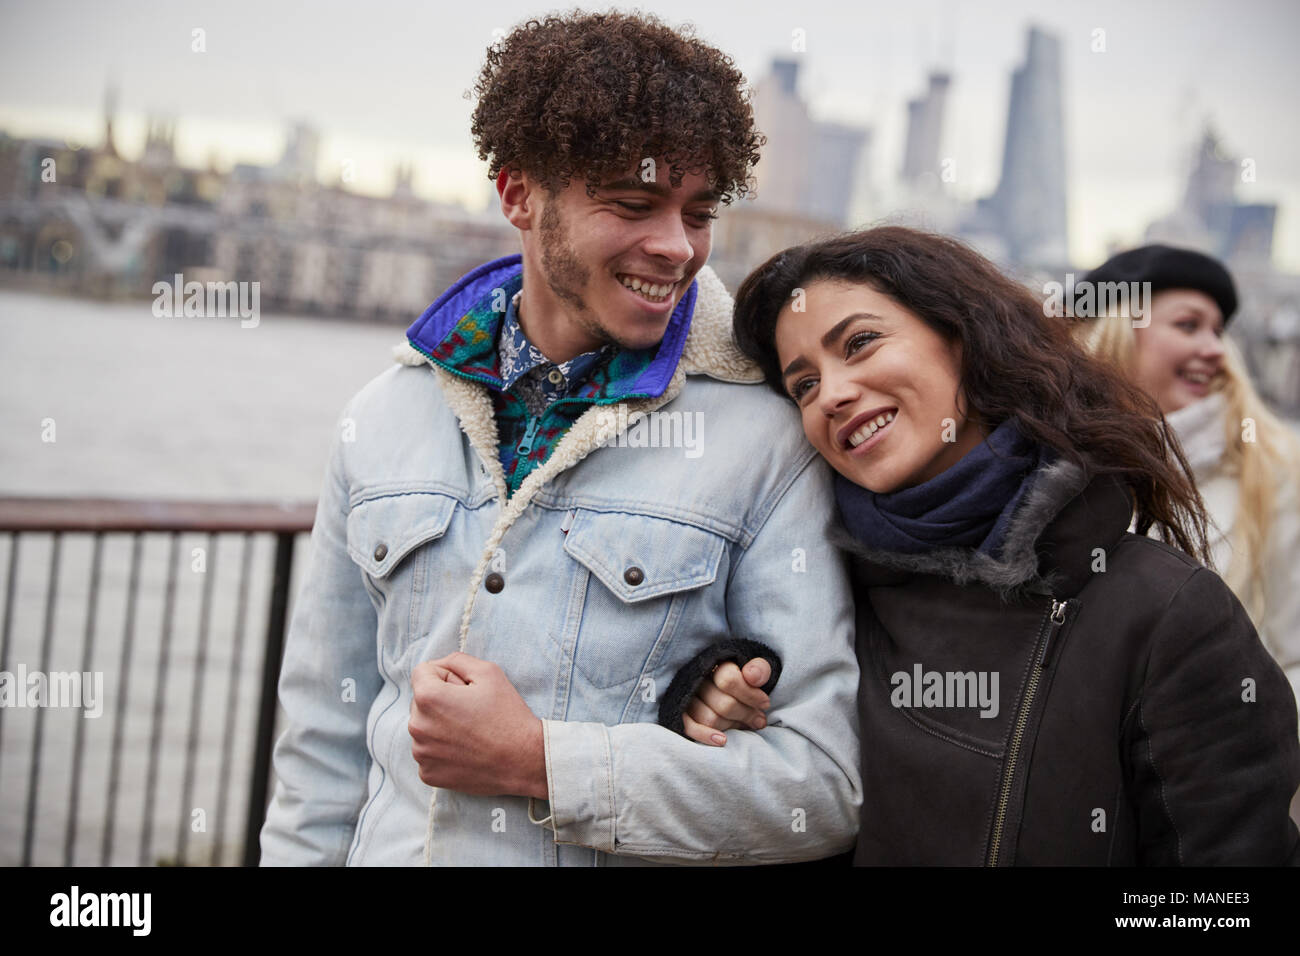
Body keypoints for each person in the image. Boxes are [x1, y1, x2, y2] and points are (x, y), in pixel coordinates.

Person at [258, 10, 861, 867]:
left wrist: (542, 762)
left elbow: (821, 787)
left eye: (698, 212)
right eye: (634, 204)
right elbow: (320, 750)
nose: (676, 247)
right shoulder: (382, 417)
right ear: (517, 195)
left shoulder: (768, 441)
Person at [665, 226, 1300, 864]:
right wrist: (715, 697)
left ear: (965, 338)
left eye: (860, 343)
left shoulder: (1166, 614)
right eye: (803, 385)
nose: (830, 394)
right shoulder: (811, 598)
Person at [1075, 245, 1300, 712]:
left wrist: (1246, 760)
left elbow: (1295, 656)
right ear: (1114, 332)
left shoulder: (1274, 473)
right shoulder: (1035, 471)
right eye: (1188, 325)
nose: (1216, 349)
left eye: (1219, 332)